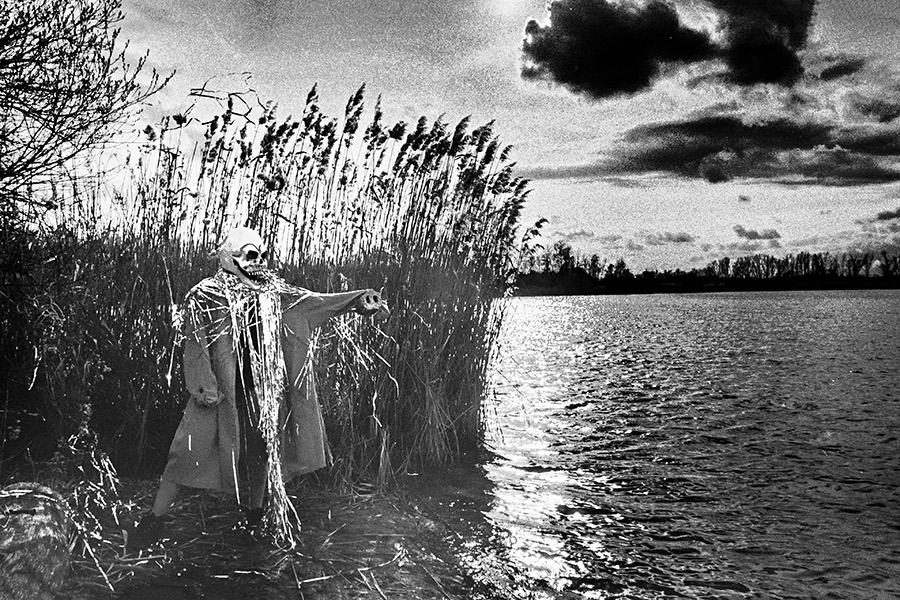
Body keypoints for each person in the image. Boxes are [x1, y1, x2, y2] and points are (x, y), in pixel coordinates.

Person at [129, 227, 388, 548]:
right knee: (185, 453)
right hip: (217, 393)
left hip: (262, 393)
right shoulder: (205, 293)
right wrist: (203, 385)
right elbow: (195, 342)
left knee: (260, 455)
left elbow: (313, 304)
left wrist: (356, 300)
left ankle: (254, 520)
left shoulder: (273, 292)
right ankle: (153, 520)